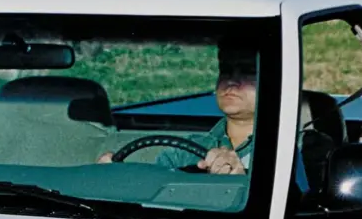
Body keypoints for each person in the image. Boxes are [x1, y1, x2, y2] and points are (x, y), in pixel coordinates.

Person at [98, 37, 258, 175]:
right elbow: (153, 188)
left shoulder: (281, 151)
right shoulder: (185, 151)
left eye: (249, 72)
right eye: (226, 71)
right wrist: (117, 177)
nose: (231, 81)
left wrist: (242, 179)